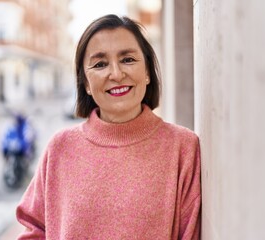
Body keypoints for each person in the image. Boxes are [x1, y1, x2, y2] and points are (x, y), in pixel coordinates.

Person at [16, 14, 201, 239]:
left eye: (128, 60)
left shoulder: (183, 147)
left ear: (147, 73)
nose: (116, 74)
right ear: (86, 84)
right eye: (100, 64)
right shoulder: (60, 148)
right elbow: (33, 228)